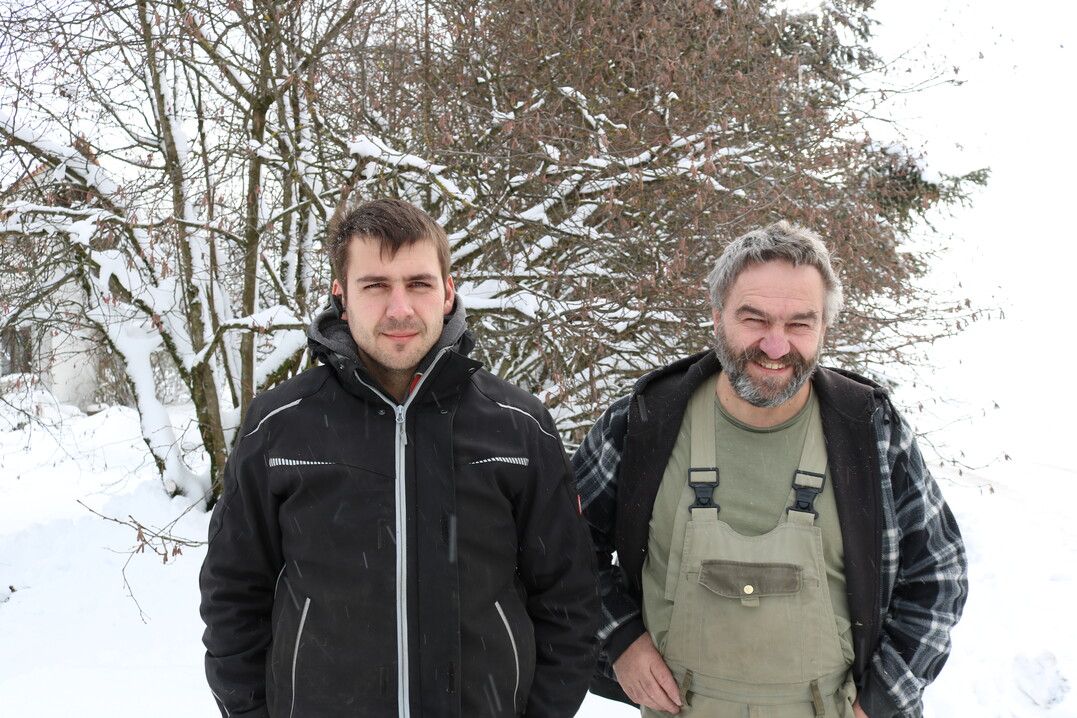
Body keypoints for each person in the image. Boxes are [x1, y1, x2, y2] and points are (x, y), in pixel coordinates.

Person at [199, 197, 598, 717]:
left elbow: (568, 600)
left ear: (448, 291)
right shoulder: (281, 426)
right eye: (376, 286)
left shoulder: (518, 428)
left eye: (418, 283)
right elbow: (233, 595)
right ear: (342, 296)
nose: (400, 308)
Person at [574, 221, 967, 718]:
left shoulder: (870, 430)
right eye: (755, 320)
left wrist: (883, 699)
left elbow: (940, 572)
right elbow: (565, 546)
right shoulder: (647, 420)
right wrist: (622, 639)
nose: (777, 346)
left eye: (800, 324)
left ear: (824, 327)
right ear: (717, 318)